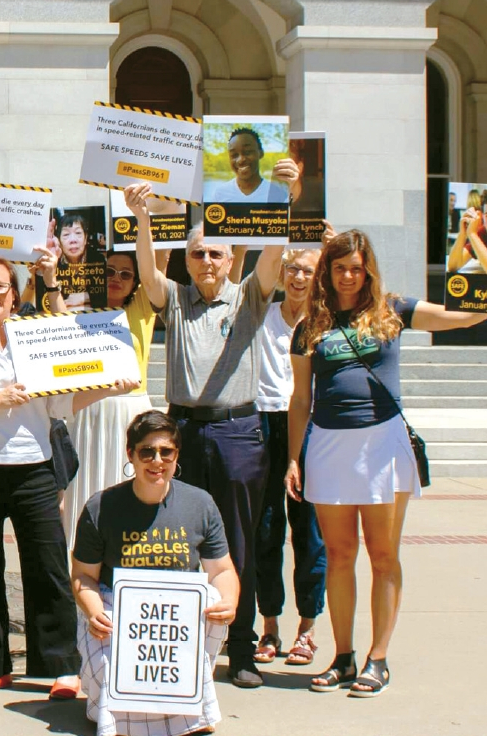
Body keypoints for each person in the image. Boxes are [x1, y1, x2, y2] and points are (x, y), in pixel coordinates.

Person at [286, 231, 487, 697]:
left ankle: (377, 658)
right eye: (340, 267)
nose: (348, 276)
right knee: (340, 556)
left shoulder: (393, 309)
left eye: (357, 267)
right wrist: (293, 457)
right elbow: (301, 398)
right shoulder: (311, 326)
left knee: (383, 556)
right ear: (328, 271)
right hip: (327, 445)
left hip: (382, 442)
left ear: (369, 270)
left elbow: (459, 318)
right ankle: (342, 656)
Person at [0, 254, 137, 698]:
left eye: (0, 286)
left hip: (35, 469)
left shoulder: (34, 341)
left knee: (48, 566)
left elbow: (60, 404)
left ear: (14, 296)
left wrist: (109, 385)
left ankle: (59, 664)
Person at [131, 168, 294, 688]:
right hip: (181, 434)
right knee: (176, 538)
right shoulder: (175, 299)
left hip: (237, 434)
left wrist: (280, 199)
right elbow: (147, 274)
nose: (205, 261)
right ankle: (184, 647)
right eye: (197, 253)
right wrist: (142, 217)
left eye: (216, 253)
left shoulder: (248, 298)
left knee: (237, 543)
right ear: (188, 258)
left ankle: (240, 650)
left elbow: (271, 257)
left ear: (229, 260)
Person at [72, 410, 240, 736]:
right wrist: (94, 612)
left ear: (177, 456)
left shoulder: (200, 503)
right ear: (131, 455)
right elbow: (83, 576)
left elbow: (222, 570)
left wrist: (230, 599)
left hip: (178, 616)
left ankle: (183, 709)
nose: (157, 461)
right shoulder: (101, 507)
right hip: (117, 609)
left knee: (212, 596)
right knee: (114, 676)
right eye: (147, 451)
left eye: (166, 452)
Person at [60, 185, 164, 552]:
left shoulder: (142, 309)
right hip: (87, 413)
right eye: (110, 271)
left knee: (128, 495)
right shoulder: (81, 309)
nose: (117, 278)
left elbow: (156, 267)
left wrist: (143, 218)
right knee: (82, 495)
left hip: (131, 411)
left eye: (126, 274)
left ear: (136, 283)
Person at [252, 246, 327, 668]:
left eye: (308, 271)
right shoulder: (261, 310)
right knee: (266, 529)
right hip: (264, 422)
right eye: (293, 269)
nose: (299, 277)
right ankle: (270, 625)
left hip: (311, 428)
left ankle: (308, 628)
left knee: (309, 532)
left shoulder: (325, 320)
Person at [205, 126, 291, 203]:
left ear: (260, 153)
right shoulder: (220, 194)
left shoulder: (278, 194)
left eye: (247, 152)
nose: (241, 160)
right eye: (234, 155)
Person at [46, 209, 106, 311]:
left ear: (86, 238)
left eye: (78, 233)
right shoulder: (54, 262)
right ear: (58, 240)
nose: (73, 240)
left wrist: (84, 296)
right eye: (66, 235)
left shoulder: (98, 260)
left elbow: (106, 294)